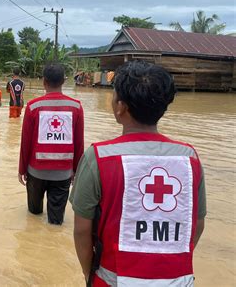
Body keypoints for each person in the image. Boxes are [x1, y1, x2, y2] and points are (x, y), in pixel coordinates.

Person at [70, 60, 206, 286]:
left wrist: (89, 275)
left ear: (120, 107)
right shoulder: (189, 157)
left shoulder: (99, 157)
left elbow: (82, 230)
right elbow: (197, 225)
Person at [18, 63, 84, 225]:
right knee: (55, 222)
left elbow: (25, 141)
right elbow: (79, 143)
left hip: (36, 172)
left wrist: (22, 168)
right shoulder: (76, 107)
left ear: (44, 82)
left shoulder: (33, 107)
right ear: (63, 81)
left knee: (33, 215)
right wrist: (76, 170)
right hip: (63, 174)